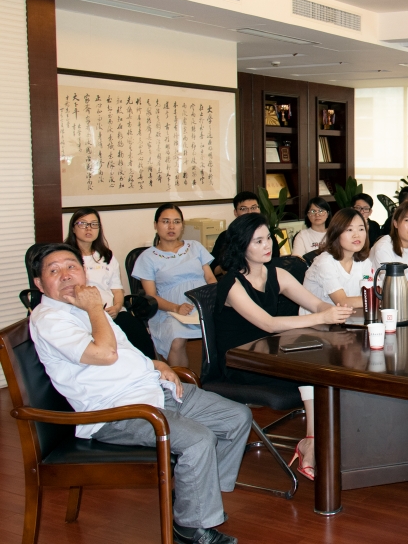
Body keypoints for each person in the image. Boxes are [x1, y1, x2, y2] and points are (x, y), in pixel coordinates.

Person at [30, 243, 251, 544]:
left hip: (150, 389)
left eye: (72, 266)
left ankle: (194, 499)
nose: (66, 275)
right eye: (54, 271)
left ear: (83, 271)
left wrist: (156, 363)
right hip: (116, 411)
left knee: (237, 417)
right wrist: (95, 308)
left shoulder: (82, 304)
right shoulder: (50, 318)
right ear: (39, 283)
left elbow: (123, 349)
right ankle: (190, 527)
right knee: (199, 439)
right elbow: (105, 354)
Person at [216, 213, 353, 481]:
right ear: (241, 246)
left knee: (325, 365)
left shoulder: (276, 273)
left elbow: (316, 304)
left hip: (270, 354)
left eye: (268, 238)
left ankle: (316, 441)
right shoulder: (231, 283)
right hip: (241, 363)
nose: (267, 245)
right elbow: (268, 324)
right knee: (314, 371)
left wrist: (332, 310)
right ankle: (311, 445)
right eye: (258, 241)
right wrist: (320, 318)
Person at [132, 204, 216, 368]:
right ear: (156, 225)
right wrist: (176, 308)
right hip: (169, 310)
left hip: (203, 304)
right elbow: (151, 296)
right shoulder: (147, 257)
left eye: (176, 222)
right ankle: (182, 381)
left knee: (228, 328)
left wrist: (213, 300)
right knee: (176, 339)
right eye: (166, 221)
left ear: (182, 226)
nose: (171, 227)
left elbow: (210, 278)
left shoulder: (195, 247)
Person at [64, 208, 155, 360]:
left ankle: (151, 369)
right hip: (83, 314)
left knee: (138, 334)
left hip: (111, 313)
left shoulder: (107, 256)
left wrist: (117, 307)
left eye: (94, 224)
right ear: (73, 228)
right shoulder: (66, 257)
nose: (88, 228)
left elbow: (117, 290)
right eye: (82, 224)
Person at [303, 208, 375, 308]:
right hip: (319, 318)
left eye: (361, 229)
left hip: (353, 315)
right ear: (336, 233)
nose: (356, 235)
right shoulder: (325, 262)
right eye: (349, 230)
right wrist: (382, 298)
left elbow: (372, 291)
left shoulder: (363, 261)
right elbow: (342, 302)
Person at [210, 191, 266, 276]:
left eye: (254, 207)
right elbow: (213, 269)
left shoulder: (267, 236)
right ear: (235, 212)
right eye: (243, 209)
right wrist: (226, 266)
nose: (250, 212)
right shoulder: (225, 236)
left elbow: (274, 264)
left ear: (259, 210)